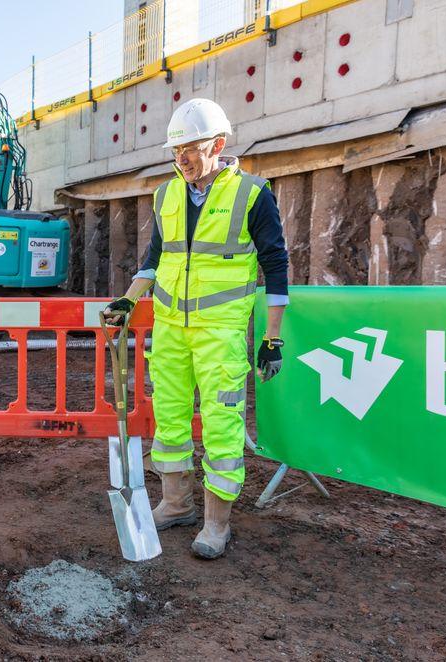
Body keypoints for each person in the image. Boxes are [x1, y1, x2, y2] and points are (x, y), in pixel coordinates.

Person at [103, 98, 289, 560]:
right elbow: (155, 260)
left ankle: (216, 524)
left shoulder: (251, 194)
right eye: (175, 150)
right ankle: (176, 503)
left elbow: (276, 267)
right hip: (170, 330)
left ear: (218, 145)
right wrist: (129, 297)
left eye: (190, 148)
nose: (181, 158)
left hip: (219, 333)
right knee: (169, 415)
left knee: (223, 425)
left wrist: (272, 337)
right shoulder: (166, 195)